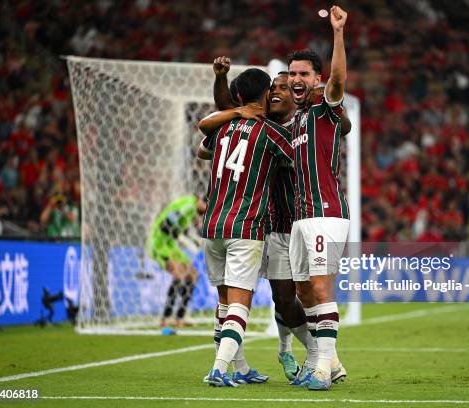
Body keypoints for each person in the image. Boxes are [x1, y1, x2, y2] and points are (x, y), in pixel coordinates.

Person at [207, 57, 350, 384]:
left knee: (305, 293)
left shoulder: (302, 123)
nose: (276, 92)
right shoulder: (265, 125)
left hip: (302, 221)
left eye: (283, 88)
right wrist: (223, 82)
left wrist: (343, 119)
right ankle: (308, 357)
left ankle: (321, 360)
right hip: (269, 225)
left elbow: (340, 121)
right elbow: (230, 110)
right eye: (273, 87)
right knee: (283, 299)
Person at [197, 68, 294, 387]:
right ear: (267, 94)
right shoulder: (270, 133)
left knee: (224, 303)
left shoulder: (221, 129)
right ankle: (219, 369)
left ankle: (238, 368)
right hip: (245, 226)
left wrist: (228, 113)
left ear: (237, 98)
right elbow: (298, 160)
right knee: (239, 303)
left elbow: (202, 150)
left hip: (212, 225)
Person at [286, 5, 349, 391]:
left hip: (326, 213)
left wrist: (338, 33)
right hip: (300, 218)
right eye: (292, 74)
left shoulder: (328, 110)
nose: (296, 79)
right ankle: (334, 363)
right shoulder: (295, 122)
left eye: (303, 74)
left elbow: (339, 77)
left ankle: (322, 368)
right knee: (304, 289)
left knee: (322, 287)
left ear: (317, 79)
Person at [147, 194, 205, 328]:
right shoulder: (188, 206)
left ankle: (180, 317)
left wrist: (193, 240)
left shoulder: (192, 210)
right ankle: (165, 318)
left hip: (171, 244)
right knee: (178, 274)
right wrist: (186, 239)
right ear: (201, 201)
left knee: (192, 275)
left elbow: (179, 230)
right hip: (160, 243)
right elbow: (166, 225)